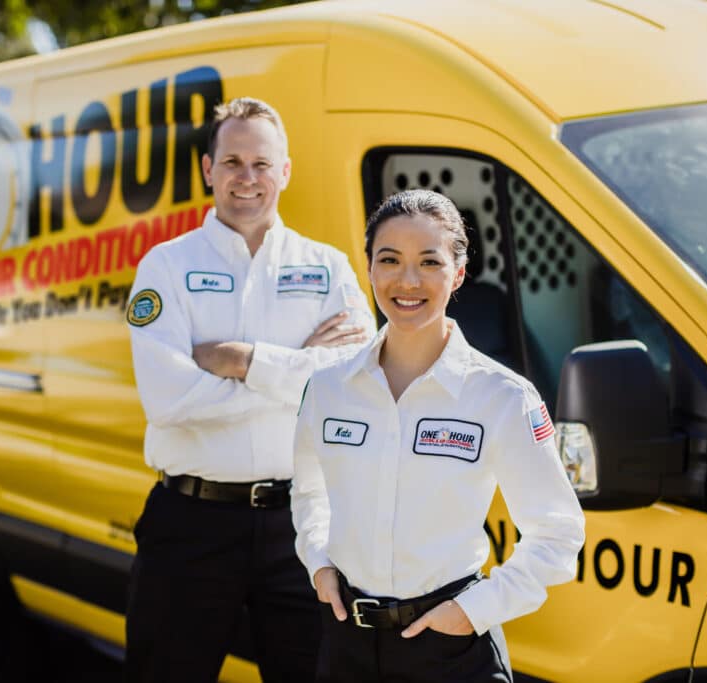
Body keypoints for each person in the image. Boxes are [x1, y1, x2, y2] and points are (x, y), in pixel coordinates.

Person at [124, 97, 375, 683]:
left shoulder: (329, 267)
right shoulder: (164, 268)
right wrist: (305, 370)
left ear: (285, 171)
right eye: (232, 161)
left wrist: (242, 361)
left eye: (262, 164)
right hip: (190, 524)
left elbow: (356, 384)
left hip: (302, 527)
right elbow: (169, 401)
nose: (247, 178)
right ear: (208, 169)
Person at [291, 189, 586, 682]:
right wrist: (319, 564)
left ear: (459, 273)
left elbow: (557, 533)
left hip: (450, 651)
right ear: (368, 267)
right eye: (390, 260)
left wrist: (474, 611)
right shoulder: (327, 389)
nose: (408, 281)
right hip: (347, 647)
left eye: (430, 261)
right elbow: (309, 491)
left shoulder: (502, 397)